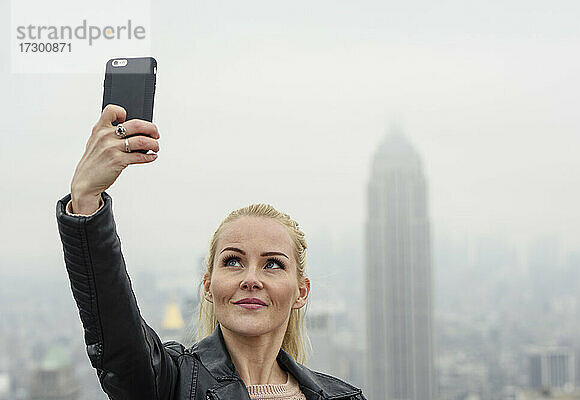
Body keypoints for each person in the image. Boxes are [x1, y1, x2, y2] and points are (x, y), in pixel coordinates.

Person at [56, 105, 367, 400]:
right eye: (233, 261)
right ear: (207, 285)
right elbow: (118, 333)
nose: (251, 279)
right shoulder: (172, 384)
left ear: (301, 291)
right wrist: (86, 200)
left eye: (272, 264)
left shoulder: (344, 397)